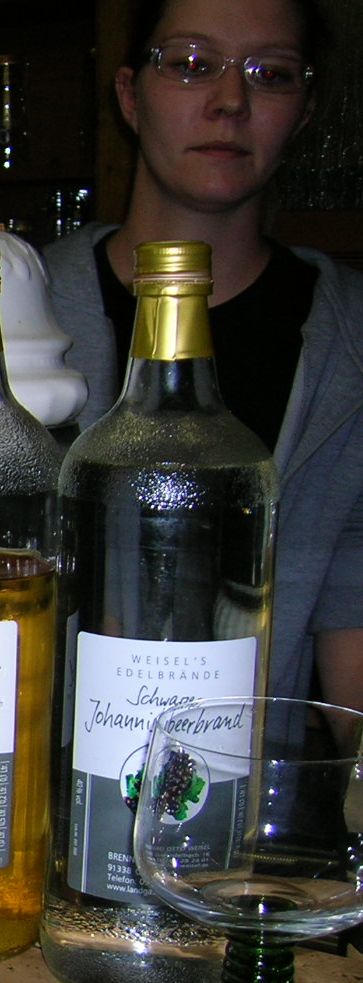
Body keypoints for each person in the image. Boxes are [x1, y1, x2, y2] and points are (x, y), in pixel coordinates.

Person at [44, 0, 363, 713]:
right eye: (191, 64)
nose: (230, 101)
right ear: (130, 94)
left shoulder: (352, 345)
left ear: (305, 112)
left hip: (243, 779)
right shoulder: (6, 315)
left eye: (271, 74)